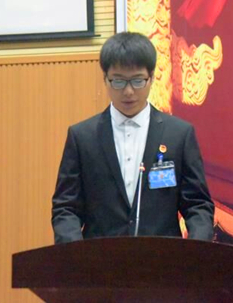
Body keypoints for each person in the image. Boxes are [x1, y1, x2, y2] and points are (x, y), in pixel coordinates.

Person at [51, 32, 214, 244]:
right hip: (99, 260)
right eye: (118, 81)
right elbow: (66, 208)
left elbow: (198, 205)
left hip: (162, 259)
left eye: (137, 81)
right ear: (105, 79)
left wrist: (196, 250)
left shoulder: (179, 135)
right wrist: (77, 255)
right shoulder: (82, 137)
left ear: (151, 78)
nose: (128, 91)